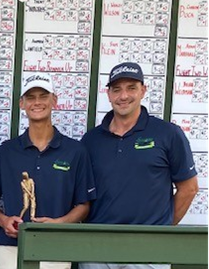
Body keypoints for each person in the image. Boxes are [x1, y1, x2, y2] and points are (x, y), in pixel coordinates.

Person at [80, 62, 199, 269]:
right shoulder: (91, 141)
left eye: (131, 88)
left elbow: (188, 188)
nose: (123, 96)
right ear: (108, 94)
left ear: (143, 90)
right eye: (116, 89)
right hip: (97, 248)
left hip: (149, 251)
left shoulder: (168, 134)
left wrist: (160, 231)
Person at [0, 73, 95, 269]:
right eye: (30, 97)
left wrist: (58, 224)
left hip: (56, 246)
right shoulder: (5, 152)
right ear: (22, 103)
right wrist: (4, 221)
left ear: (54, 100)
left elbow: (84, 205)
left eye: (43, 96)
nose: (37, 102)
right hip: (10, 247)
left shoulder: (75, 151)